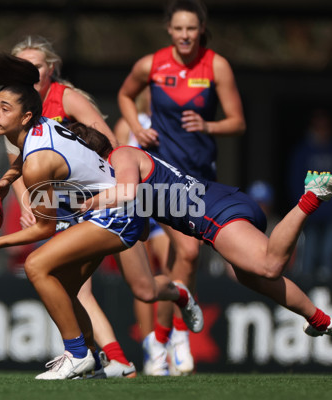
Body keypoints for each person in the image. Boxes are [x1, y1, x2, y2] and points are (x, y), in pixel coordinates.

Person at [0, 53, 203, 380]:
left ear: (26, 116)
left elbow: (44, 227)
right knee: (65, 288)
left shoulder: (37, 163)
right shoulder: (40, 128)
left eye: (6, 108)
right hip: (110, 210)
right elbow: (26, 161)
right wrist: (5, 182)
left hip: (117, 212)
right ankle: (95, 363)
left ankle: (76, 354)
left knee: (36, 265)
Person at [73, 124, 332, 346]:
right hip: (218, 206)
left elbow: (129, 192)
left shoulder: (120, 155)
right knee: (251, 275)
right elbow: (143, 231)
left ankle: (311, 196)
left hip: (214, 212)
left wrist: (86, 204)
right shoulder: (119, 175)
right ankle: (320, 319)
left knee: (269, 265)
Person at [117, 0, 245, 375]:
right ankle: (173, 335)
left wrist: (209, 126)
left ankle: (159, 337)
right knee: (187, 253)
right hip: (164, 176)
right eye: (179, 29)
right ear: (169, 30)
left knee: (185, 259)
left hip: (202, 176)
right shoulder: (151, 64)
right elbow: (125, 95)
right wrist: (136, 128)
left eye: (192, 28)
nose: (185, 35)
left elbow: (237, 122)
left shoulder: (216, 65)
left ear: (201, 29)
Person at [6, 35, 136, 378]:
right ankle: (106, 359)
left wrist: (112, 189)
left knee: (143, 289)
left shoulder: (68, 98)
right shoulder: (15, 111)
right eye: (23, 66)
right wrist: (25, 201)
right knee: (68, 286)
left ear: (51, 69)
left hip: (102, 205)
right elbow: (19, 167)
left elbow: (111, 144)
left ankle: (97, 357)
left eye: (37, 65)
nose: (30, 71)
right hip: (61, 207)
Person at [113, 88, 171, 344]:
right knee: (143, 281)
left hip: (167, 206)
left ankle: (168, 339)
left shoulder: (172, 122)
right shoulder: (126, 124)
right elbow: (114, 165)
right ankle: (152, 349)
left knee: (174, 271)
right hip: (136, 206)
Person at [288, 109, 332, 281]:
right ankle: (305, 292)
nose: (322, 131)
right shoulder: (303, 151)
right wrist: (300, 206)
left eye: (325, 127)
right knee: (309, 254)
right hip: (309, 210)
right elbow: (295, 180)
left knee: (329, 254)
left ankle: (331, 294)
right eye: (318, 127)